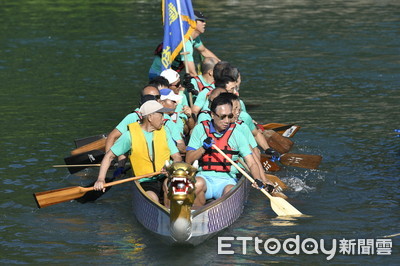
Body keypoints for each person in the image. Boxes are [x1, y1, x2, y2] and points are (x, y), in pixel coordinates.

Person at [185, 95, 273, 206]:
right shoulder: (200, 129)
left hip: (227, 180)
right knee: (196, 184)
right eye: (223, 117)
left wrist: (257, 179)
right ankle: (196, 214)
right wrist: (203, 148)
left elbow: (251, 163)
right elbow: (188, 159)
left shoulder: (237, 133)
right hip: (204, 177)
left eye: (229, 116)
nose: (227, 121)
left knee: (230, 191)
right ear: (212, 115)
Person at [94, 101, 182, 204]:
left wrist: (170, 167)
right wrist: (101, 179)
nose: (164, 118)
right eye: (161, 115)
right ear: (150, 117)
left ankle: (171, 214)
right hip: (144, 182)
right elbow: (109, 156)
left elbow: (177, 157)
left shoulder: (165, 132)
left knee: (174, 189)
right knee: (152, 198)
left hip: (165, 177)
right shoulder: (129, 135)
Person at [105, 85, 161, 177]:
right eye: (154, 98)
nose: (158, 100)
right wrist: (111, 163)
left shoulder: (162, 117)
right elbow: (112, 136)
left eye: (158, 97)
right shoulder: (132, 117)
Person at [149, 10, 220, 79]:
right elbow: (192, 72)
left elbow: (203, 51)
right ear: (193, 23)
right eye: (202, 21)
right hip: (159, 75)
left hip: (171, 75)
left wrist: (222, 65)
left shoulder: (193, 37)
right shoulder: (185, 43)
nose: (204, 23)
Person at [159, 88, 186, 154]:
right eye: (173, 101)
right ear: (162, 103)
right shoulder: (169, 123)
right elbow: (182, 149)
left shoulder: (144, 115)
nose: (176, 104)